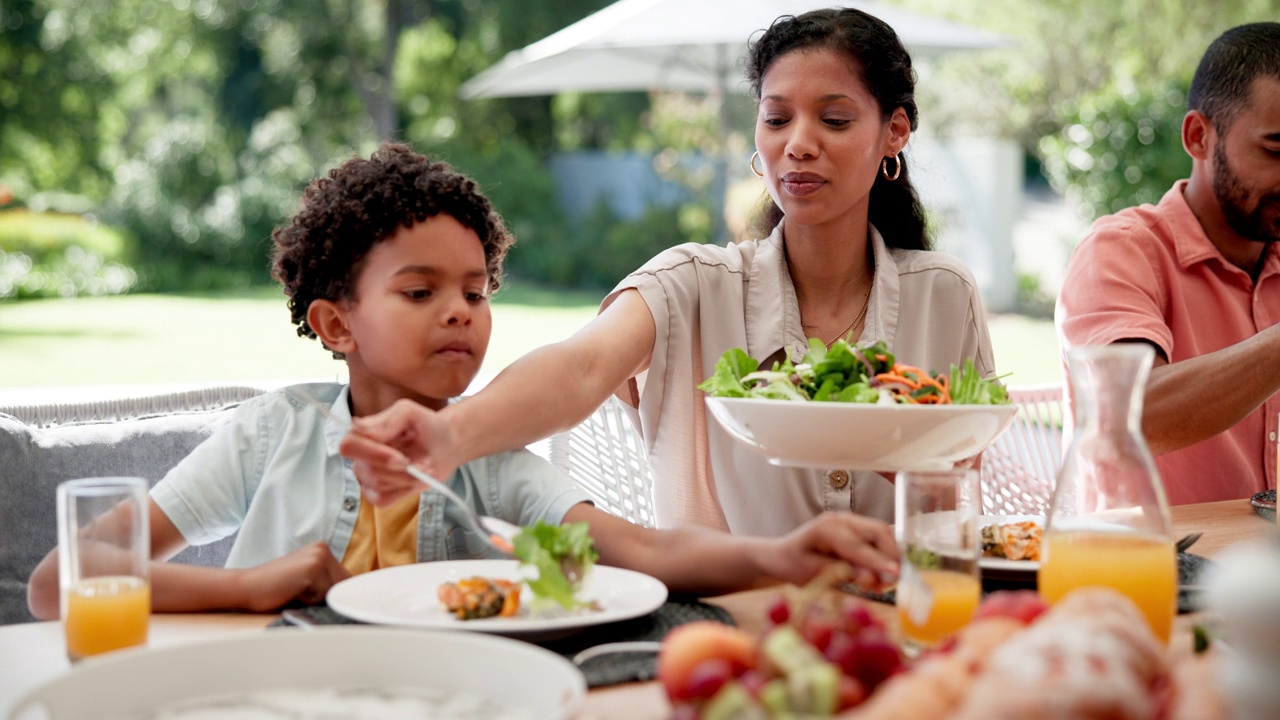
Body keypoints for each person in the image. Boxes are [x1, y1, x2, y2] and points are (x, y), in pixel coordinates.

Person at [26, 142, 898, 620]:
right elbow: (63, 579)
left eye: (476, 292)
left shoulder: (495, 461)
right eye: (420, 292)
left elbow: (651, 551)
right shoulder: (271, 435)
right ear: (335, 324)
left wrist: (779, 556)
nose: (461, 313)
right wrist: (247, 585)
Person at [341, 8, 998, 536]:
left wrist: (902, 451)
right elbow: (579, 369)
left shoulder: (944, 295)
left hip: (899, 621)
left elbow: (958, 488)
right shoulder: (693, 283)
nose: (798, 142)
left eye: (833, 119)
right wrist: (448, 433)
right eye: (776, 118)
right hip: (720, 625)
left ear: (895, 132)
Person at [1055, 22, 1280, 505]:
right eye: (1276, 150)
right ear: (1199, 136)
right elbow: (1132, 415)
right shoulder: (1119, 251)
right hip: (1142, 570)